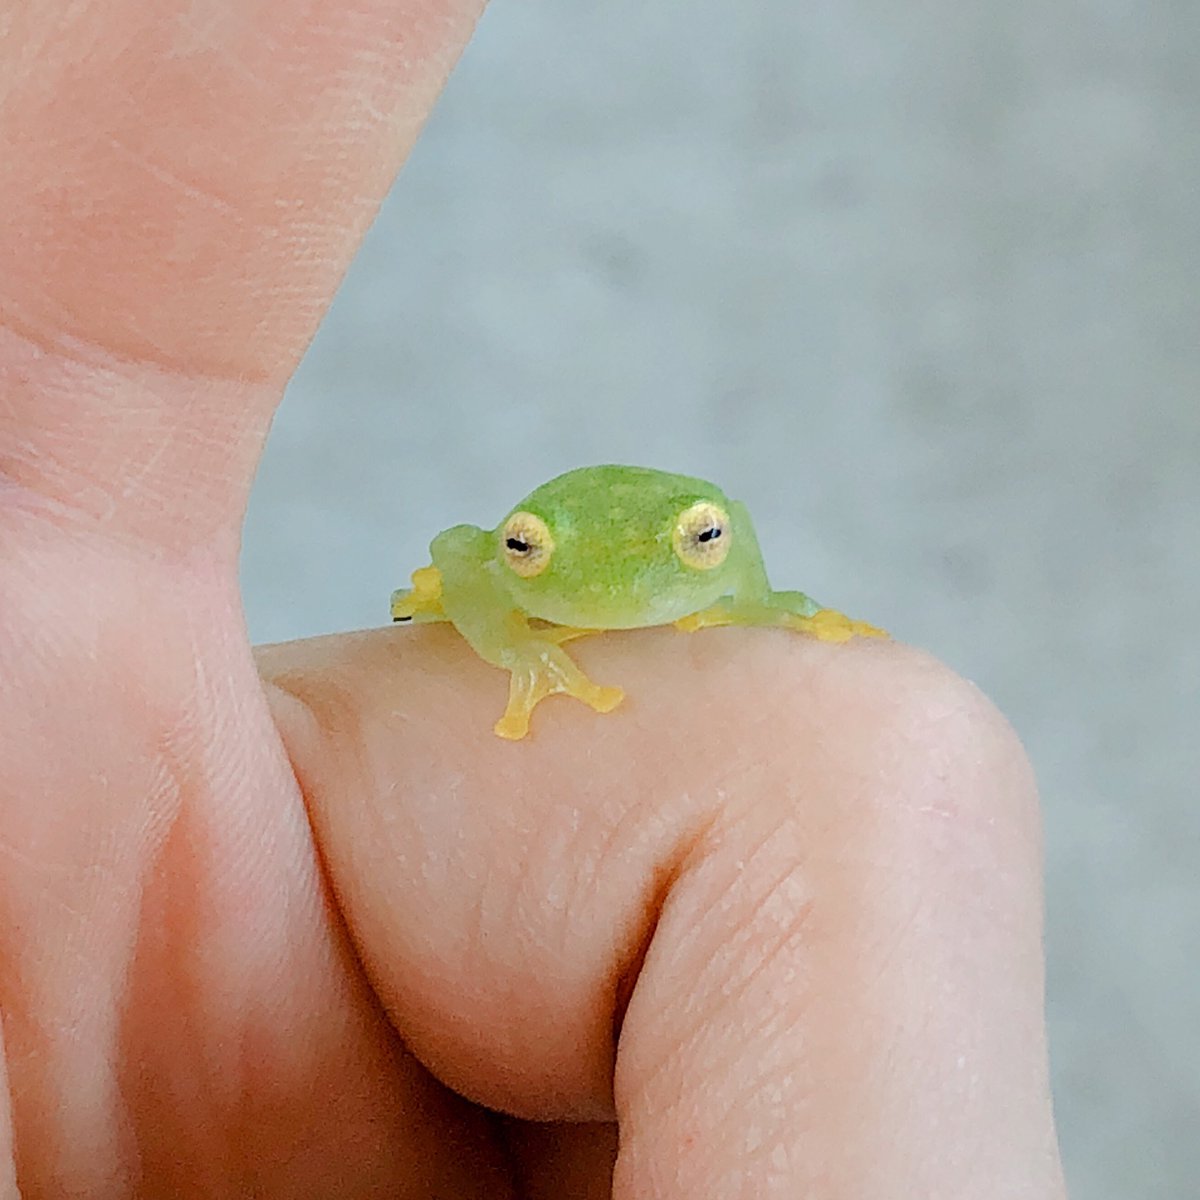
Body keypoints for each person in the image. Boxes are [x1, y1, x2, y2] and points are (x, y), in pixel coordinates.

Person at [0, 3, 1066, 1195]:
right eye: (528, 548)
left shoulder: (708, 562)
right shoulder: (512, 560)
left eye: (705, 544)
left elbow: (716, 554)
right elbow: (462, 552)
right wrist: (512, 638)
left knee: (871, 739)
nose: (628, 588)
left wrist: (749, 596)